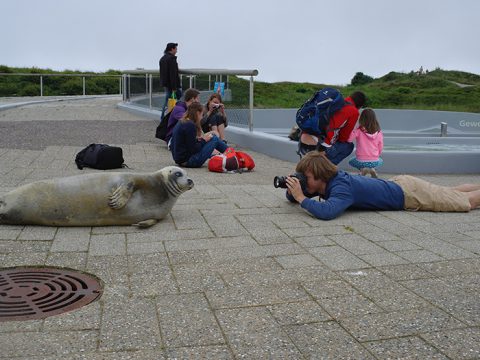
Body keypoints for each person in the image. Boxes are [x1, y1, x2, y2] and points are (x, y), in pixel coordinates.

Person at [285, 151, 480, 220]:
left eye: (306, 177)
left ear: (320, 177)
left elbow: (327, 212)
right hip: (402, 185)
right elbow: (296, 196)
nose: (303, 181)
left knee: (464, 203)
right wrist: (294, 190)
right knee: (448, 192)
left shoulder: (341, 188)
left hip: (410, 194)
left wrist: (301, 198)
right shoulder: (332, 181)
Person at [299, 91, 367, 165]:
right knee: (348, 146)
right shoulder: (353, 111)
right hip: (319, 145)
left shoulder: (333, 101)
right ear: (360, 106)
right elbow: (343, 137)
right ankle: (326, 168)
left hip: (303, 140)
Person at [170, 102, 228, 168]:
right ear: (198, 113)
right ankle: (232, 154)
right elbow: (194, 149)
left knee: (211, 138)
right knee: (214, 139)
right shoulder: (190, 125)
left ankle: (229, 153)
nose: (202, 117)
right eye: (202, 114)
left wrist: (199, 140)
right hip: (189, 161)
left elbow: (188, 144)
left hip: (181, 160)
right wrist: (204, 140)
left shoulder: (182, 122)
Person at [347, 108, 383, 178]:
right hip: (374, 160)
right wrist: (376, 155)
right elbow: (380, 147)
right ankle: (373, 169)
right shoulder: (379, 132)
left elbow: (349, 140)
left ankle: (362, 170)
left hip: (361, 160)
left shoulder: (359, 131)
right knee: (381, 160)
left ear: (361, 119)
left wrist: (354, 130)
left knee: (351, 161)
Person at [159, 42, 182, 120]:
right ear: (172, 49)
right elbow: (172, 74)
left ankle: (164, 119)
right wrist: (174, 87)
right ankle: (165, 119)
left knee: (167, 102)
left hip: (166, 84)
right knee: (181, 99)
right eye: (176, 48)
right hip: (173, 86)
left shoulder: (162, 59)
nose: (177, 50)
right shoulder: (171, 59)